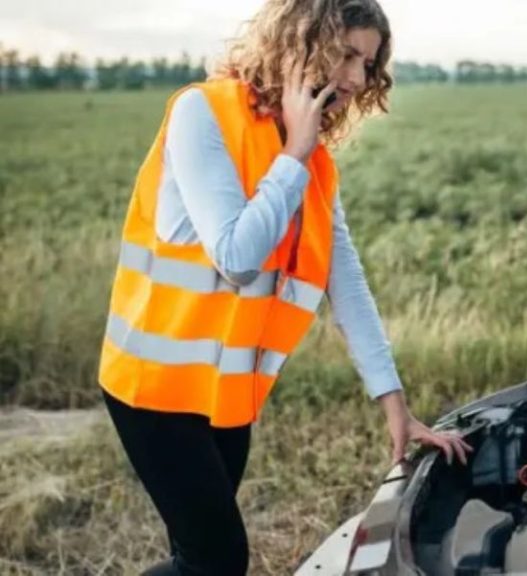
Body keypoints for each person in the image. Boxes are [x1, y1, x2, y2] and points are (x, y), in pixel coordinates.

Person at [97, 0, 471, 573]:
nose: (354, 78)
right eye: (345, 54)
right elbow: (237, 257)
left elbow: (346, 282)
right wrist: (294, 152)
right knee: (216, 561)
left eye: (367, 65)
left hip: (226, 396)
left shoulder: (315, 164)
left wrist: (396, 406)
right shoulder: (203, 114)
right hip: (155, 389)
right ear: (298, 43)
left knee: (196, 555)